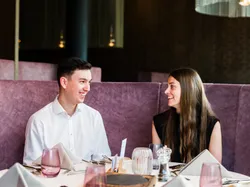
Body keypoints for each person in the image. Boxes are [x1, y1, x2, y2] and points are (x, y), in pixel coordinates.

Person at [23, 57, 111, 164]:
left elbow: (103, 161)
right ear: (64, 82)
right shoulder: (38, 121)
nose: (88, 88)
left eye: (89, 82)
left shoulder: (94, 117)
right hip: (53, 180)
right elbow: (31, 168)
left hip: (87, 180)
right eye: (82, 81)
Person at [152, 68, 222, 163]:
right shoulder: (159, 121)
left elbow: (214, 167)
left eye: (172, 86)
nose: (166, 91)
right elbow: (156, 162)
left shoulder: (211, 123)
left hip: (198, 177)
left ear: (188, 89)